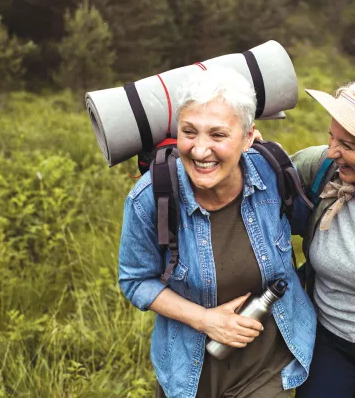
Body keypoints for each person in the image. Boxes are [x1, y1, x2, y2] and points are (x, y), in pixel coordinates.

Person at [118, 68, 316, 398]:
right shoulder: (151, 197)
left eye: (218, 135)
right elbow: (135, 280)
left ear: (249, 137)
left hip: (267, 369)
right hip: (188, 371)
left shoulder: (274, 175)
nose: (199, 150)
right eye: (189, 132)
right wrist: (205, 320)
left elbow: (313, 229)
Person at [291, 82, 355, 398]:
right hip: (329, 342)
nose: (332, 151)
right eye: (332, 136)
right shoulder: (323, 169)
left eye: (348, 145)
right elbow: (254, 177)